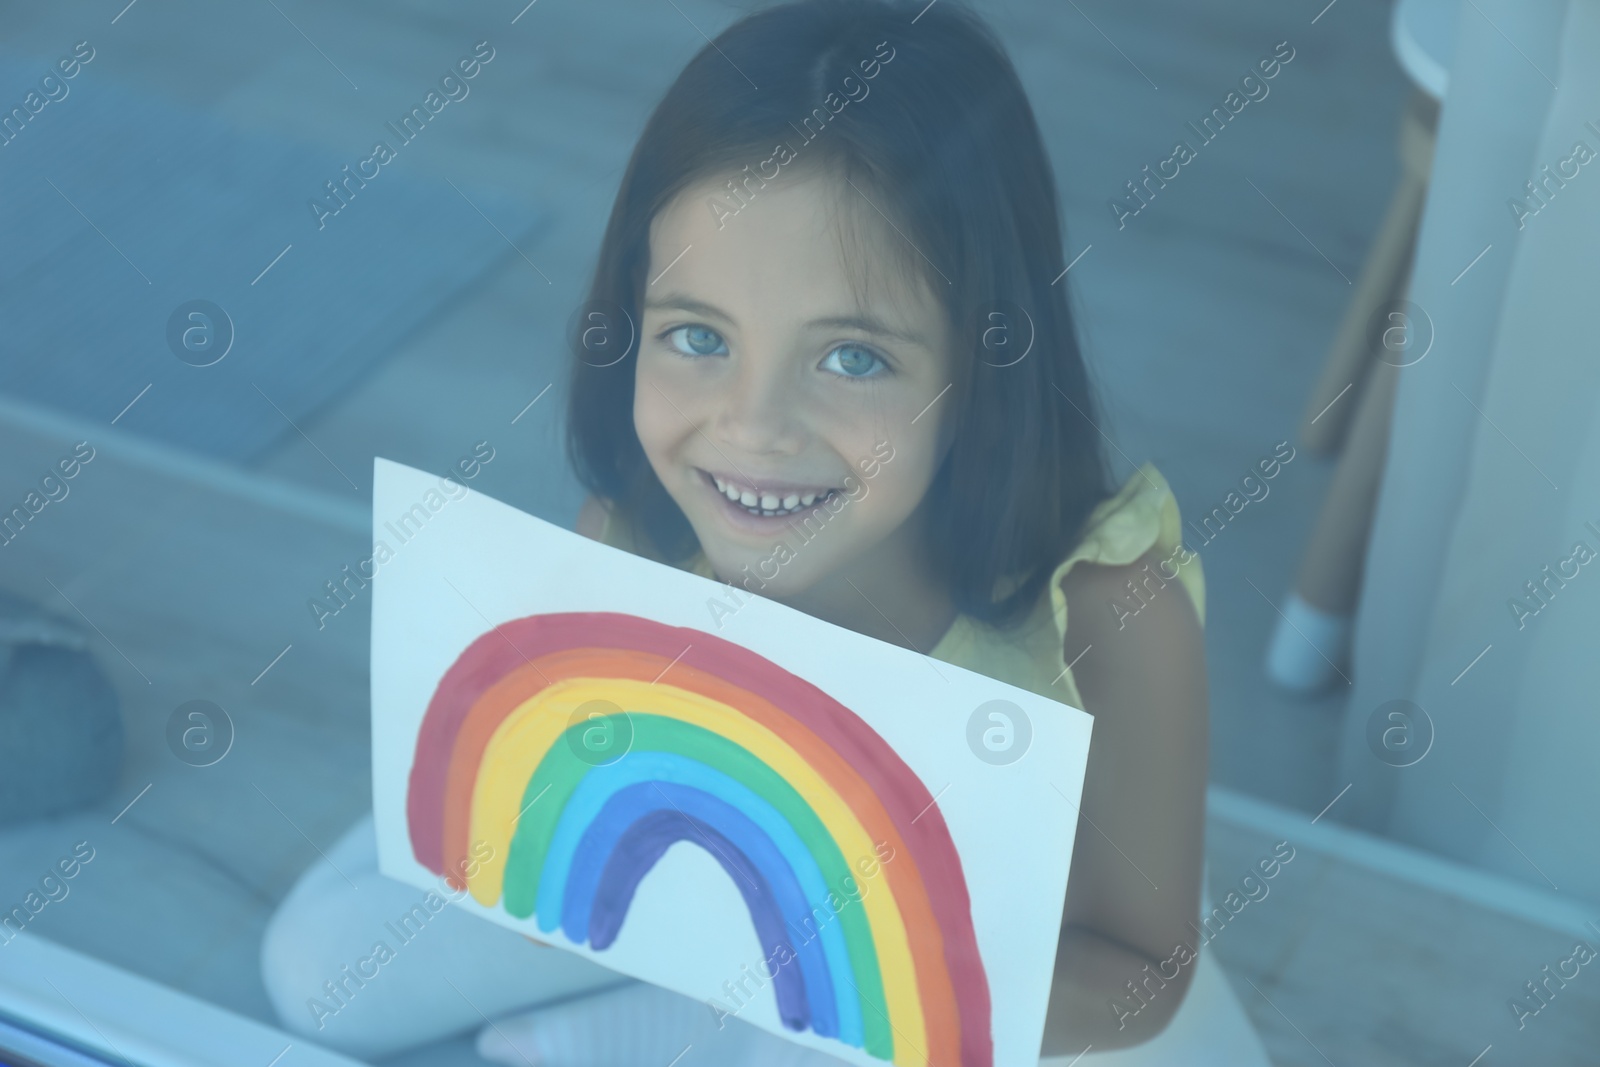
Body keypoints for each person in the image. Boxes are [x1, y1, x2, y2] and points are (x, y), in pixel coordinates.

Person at [261, 1, 1270, 1062]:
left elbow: (1139, 973)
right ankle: (692, 1006)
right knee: (320, 979)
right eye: (697, 336)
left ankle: (696, 1021)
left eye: (851, 357)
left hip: (1009, 966)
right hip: (693, 900)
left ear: (983, 371)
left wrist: (859, 969)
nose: (752, 428)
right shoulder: (635, 531)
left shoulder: (1111, 611)